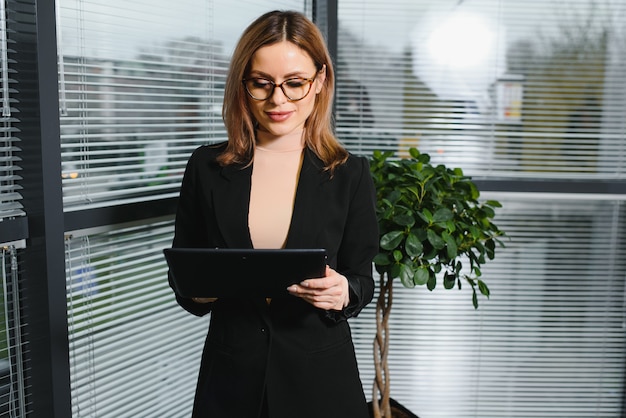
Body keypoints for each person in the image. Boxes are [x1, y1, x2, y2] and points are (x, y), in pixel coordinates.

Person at [169, 10, 378, 418]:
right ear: (242, 85)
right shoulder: (206, 168)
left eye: (295, 84)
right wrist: (201, 288)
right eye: (261, 84)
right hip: (231, 381)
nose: (278, 100)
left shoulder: (350, 173)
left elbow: (361, 279)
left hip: (320, 381)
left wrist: (343, 292)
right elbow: (186, 277)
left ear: (319, 81)